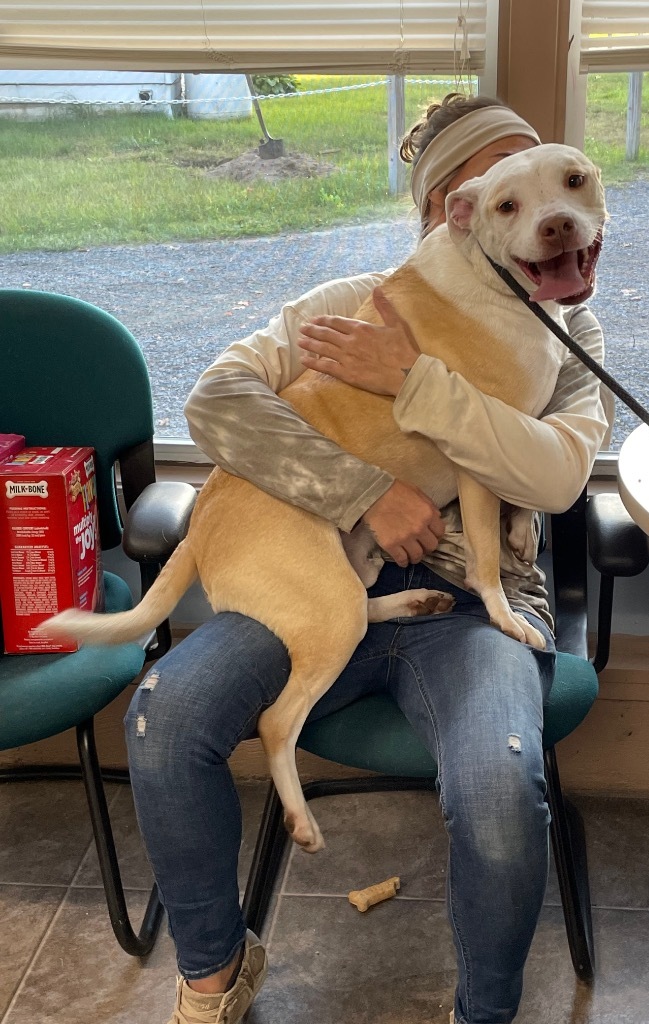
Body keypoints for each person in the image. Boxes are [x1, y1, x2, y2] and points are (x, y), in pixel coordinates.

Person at [125, 93, 607, 1024]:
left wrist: (413, 382)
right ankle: (213, 979)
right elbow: (220, 402)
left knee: (502, 787)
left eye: (549, 182)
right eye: (487, 198)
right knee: (163, 715)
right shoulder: (355, 302)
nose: (533, 214)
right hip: (315, 576)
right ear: (441, 218)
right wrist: (364, 495)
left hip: (477, 605)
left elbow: (555, 477)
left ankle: (486, 1013)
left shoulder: (569, 335)